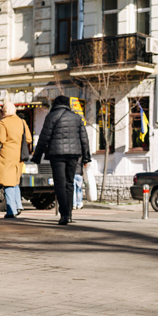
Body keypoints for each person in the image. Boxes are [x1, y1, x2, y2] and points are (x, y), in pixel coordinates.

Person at [31, 96, 91, 225]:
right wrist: (86, 157)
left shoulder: (51, 116)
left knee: (59, 184)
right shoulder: (77, 117)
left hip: (56, 154)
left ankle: (64, 214)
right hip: (74, 155)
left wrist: (37, 156)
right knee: (69, 183)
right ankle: (69, 214)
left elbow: (44, 137)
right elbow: (84, 138)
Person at [0, 102, 32, 218]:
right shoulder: (22, 122)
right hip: (19, 155)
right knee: (15, 181)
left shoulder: (3, 122)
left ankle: (11, 211)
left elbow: (2, 139)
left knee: (8, 182)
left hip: (7, 154)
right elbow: (29, 139)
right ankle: (18, 206)